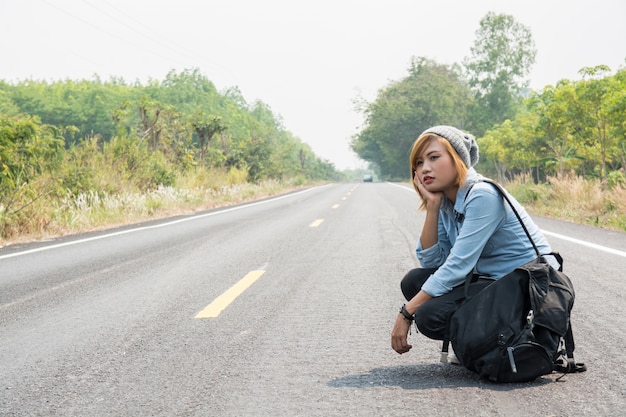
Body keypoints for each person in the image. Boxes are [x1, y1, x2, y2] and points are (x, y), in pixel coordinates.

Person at [390, 125, 558, 358]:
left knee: (429, 315)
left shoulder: (482, 195)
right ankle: (479, 339)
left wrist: (406, 312)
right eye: (418, 163)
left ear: (458, 158)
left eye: (434, 157)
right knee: (414, 281)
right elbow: (434, 261)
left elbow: (457, 266)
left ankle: (510, 336)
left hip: (528, 286)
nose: (425, 168)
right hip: (493, 280)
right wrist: (432, 208)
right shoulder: (447, 200)